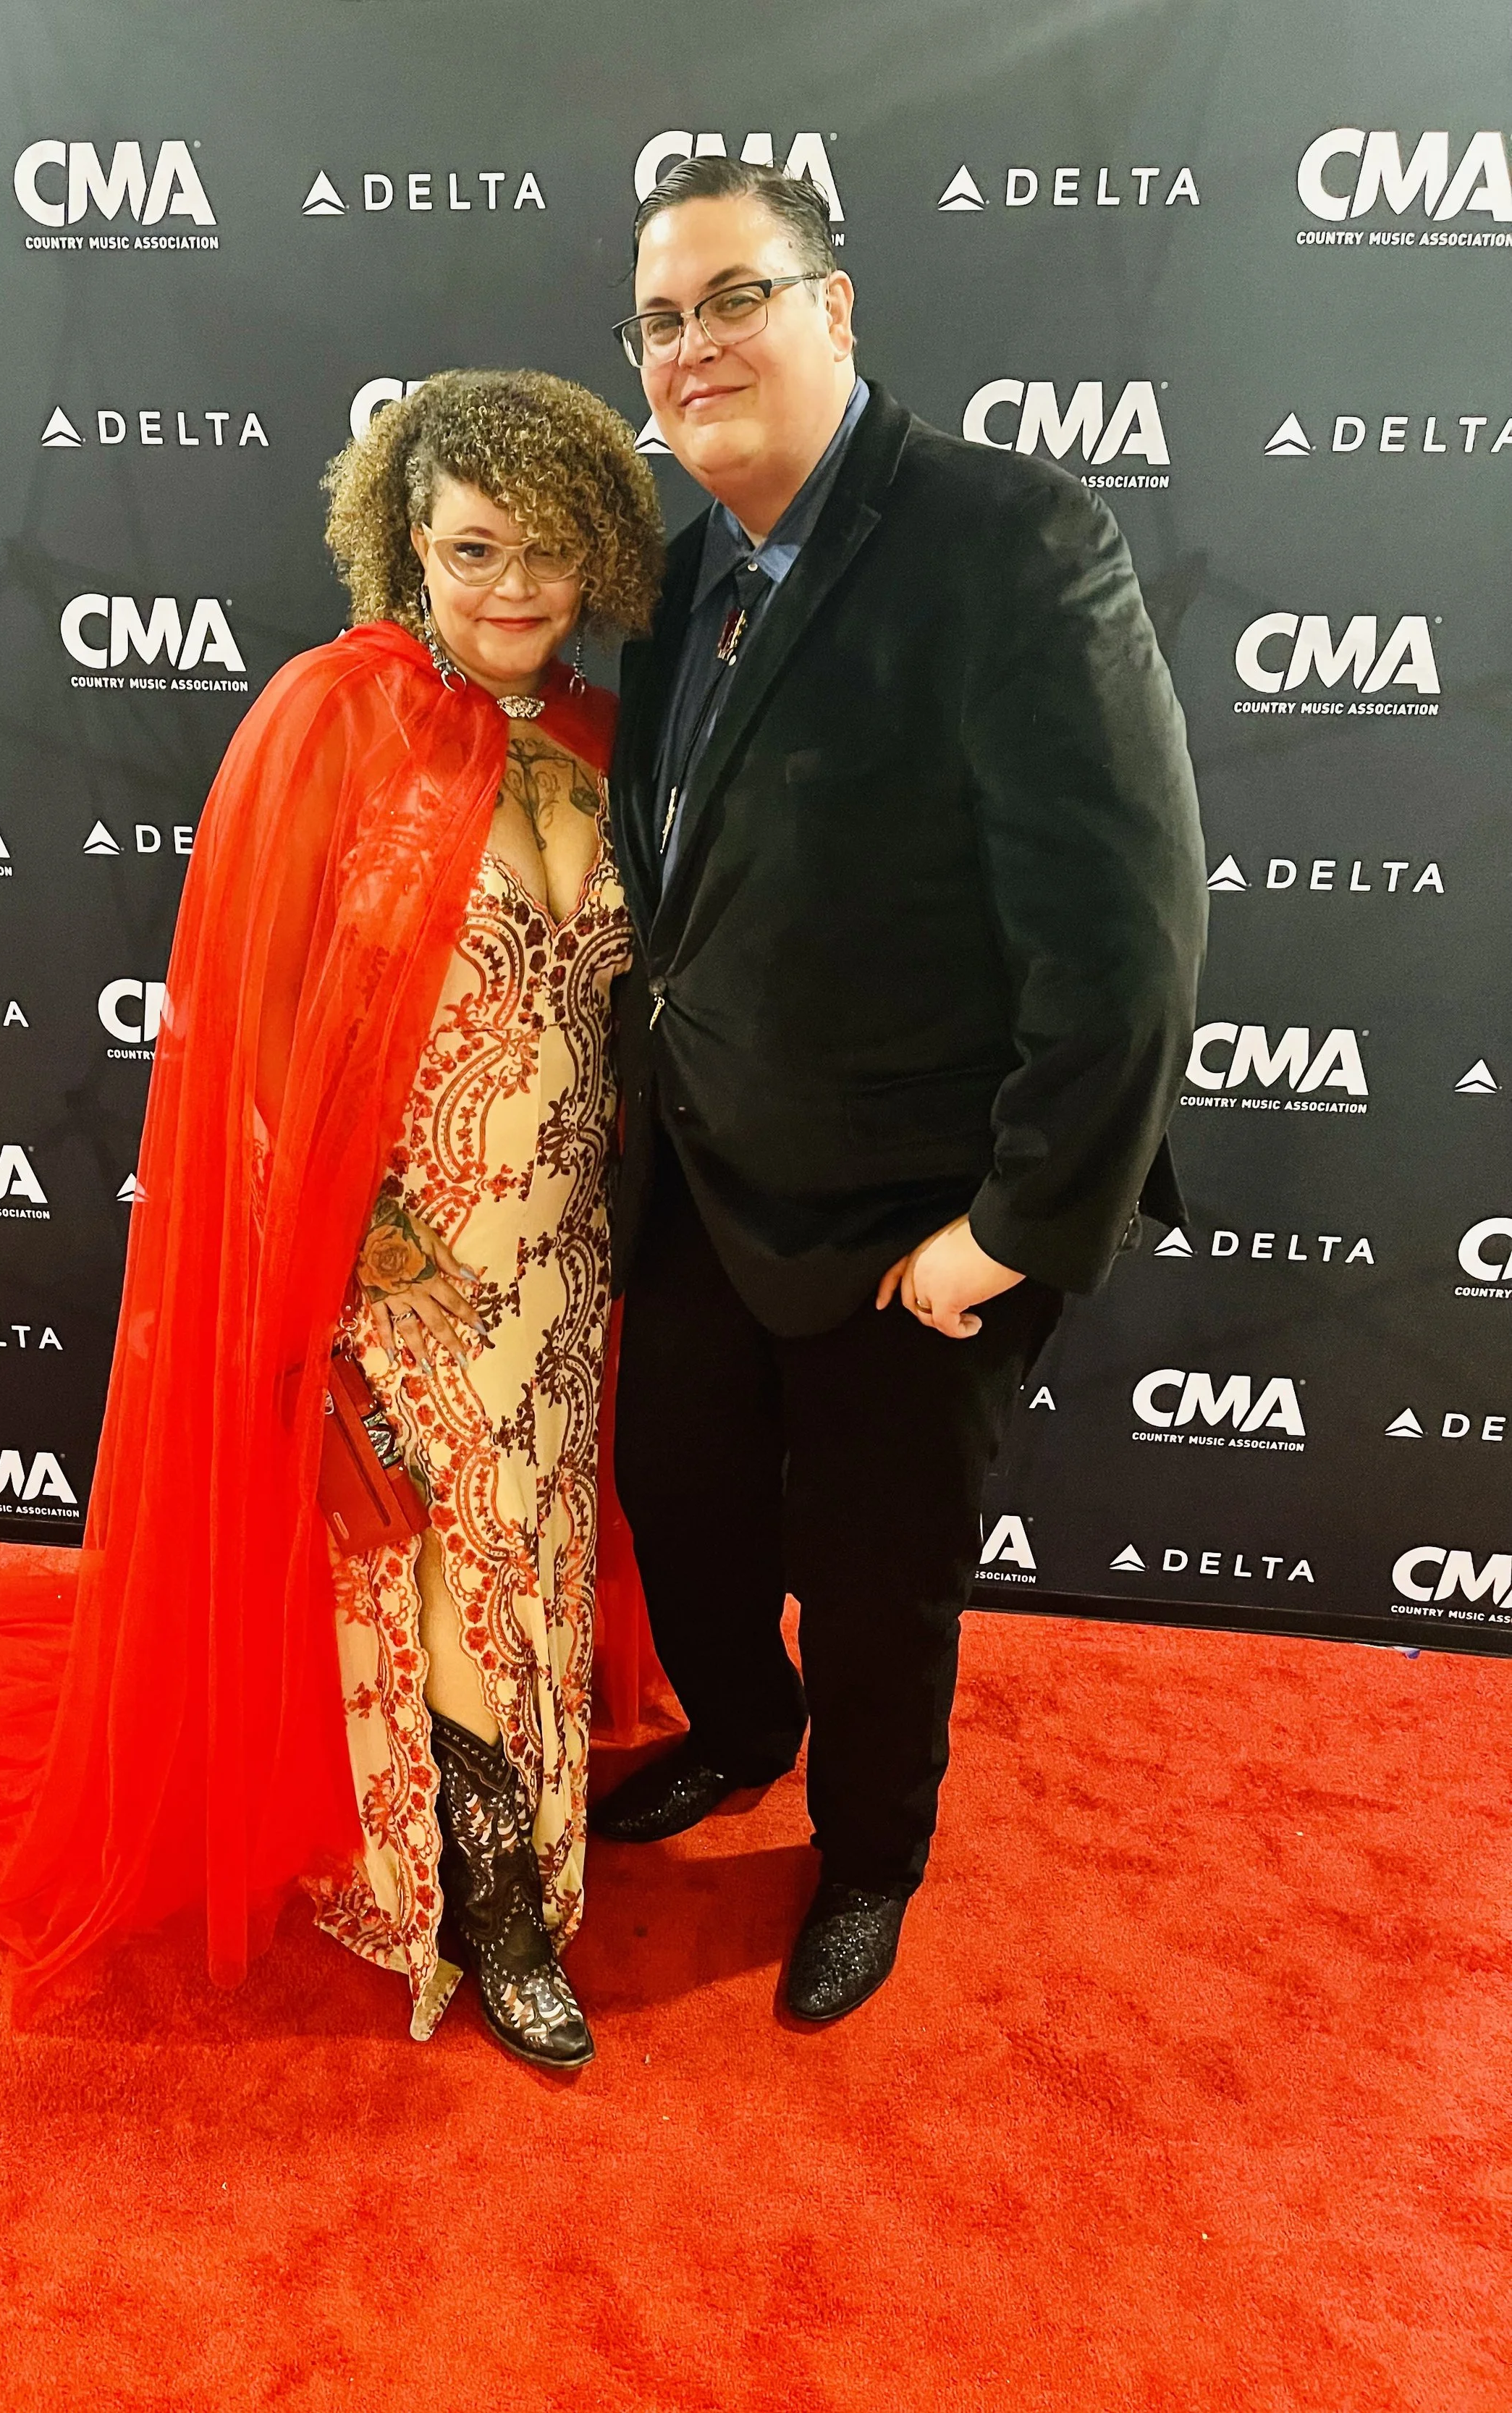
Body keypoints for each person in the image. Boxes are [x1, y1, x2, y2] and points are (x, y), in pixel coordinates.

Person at [0, 370, 666, 2071]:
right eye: (473, 548)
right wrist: (351, 1245)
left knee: (531, 1553)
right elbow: (246, 1019)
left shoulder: (612, 738)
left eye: (548, 549)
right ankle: (494, 1906)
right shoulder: (334, 714)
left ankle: (511, 1841)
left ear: (600, 550)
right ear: (408, 540)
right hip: (398, 1253)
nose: (513, 585)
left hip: (561, 1253)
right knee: (453, 1556)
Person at [593, 157, 1207, 2024]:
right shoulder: (667, 576)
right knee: (683, 1507)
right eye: (659, 319)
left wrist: (1005, 1230)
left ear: (833, 307)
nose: (693, 344)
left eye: (733, 296)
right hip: (696, 1185)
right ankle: (738, 1730)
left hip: (908, 1221)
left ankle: (867, 1853)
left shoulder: (1006, 540)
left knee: (879, 1581)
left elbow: (1122, 935)